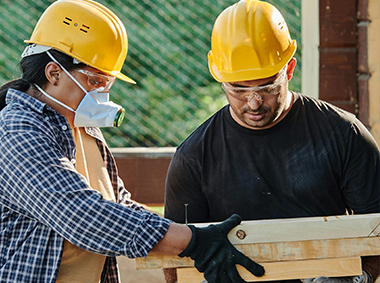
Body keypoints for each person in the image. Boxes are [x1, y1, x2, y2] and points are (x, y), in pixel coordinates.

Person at [0, 0, 266, 282]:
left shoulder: (82, 124)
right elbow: (81, 215)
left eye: (107, 83)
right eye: (95, 81)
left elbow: (118, 203)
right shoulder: (18, 131)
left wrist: (187, 237)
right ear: (54, 73)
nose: (103, 94)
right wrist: (192, 241)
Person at [164, 0, 380, 282]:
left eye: (267, 87)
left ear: (289, 69)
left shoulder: (343, 134)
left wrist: (358, 277)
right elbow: (173, 262)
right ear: (220, 79)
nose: (253, 103)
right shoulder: (194, 157)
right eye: (238, 90)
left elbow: (377, 231)